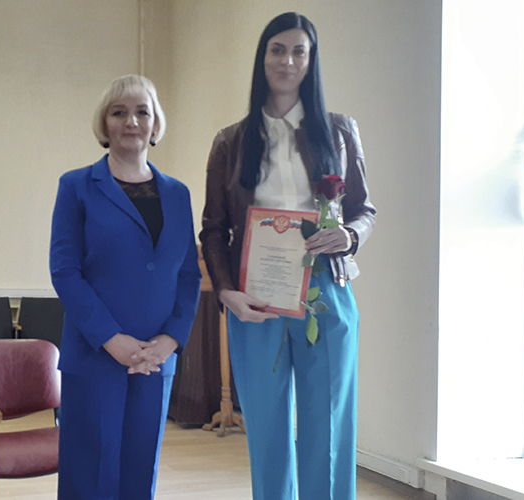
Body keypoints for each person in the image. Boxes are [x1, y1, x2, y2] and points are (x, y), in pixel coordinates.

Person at [199, 12, 377, 500]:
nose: (288, 61)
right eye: (277, 50)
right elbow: (213, 228)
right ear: (262, 58)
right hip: (254, 295)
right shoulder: (231, 141)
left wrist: (350, 235)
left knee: (328, 424)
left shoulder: (339, 131)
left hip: (327, 288)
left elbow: (364, 210)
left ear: (311, 60)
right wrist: (226, 292)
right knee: (267, 427)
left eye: (300, 51)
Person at [50, 74, 201, 500]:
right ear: (105, 124)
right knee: (89, 477)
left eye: (142, 112)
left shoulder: (178, 194)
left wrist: (171, 340)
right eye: (119, 112)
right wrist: (111, 339)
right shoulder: (76, 186)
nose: (131, 121)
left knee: (139, 473)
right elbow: (65, 271)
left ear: (155, 124)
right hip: (95, 355)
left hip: (155, 359)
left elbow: (188, 274)